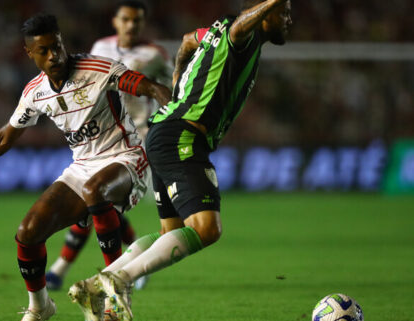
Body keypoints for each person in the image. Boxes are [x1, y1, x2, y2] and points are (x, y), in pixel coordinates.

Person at [0, 13, 171, 321]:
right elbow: (4, 139)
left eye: (57, 46)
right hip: (83, 166)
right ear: (29, 53)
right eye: (44, 50)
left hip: (126, 156)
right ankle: (40, 306)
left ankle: (116, 294)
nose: (54, 55)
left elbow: (151, 87)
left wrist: (172, 116)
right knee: (28, 232)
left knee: (95, 191)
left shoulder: (97, 68)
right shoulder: (35, 92)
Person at [69, 0, 293, 320]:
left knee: (169, 233)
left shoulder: (215, 30)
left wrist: (177, 75)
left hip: (165, 131)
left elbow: (188, 39)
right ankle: (120, 280)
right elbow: (240, 26)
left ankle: (93, 286)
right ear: (264, 13)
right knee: (206, 228)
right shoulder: (242, 33)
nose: (289, 19)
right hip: (183, 136)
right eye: (284, 12)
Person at [45, 0, 172, 292]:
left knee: (96, 204)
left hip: (135, 140)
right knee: (99, 206)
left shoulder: (155, 54)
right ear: (115, 21)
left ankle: (63, 270)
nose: (131, 25)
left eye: (137, 21)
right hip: (101, 138)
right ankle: (131, 266)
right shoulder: (100, 48)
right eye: (126, 19)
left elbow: (171, 88)